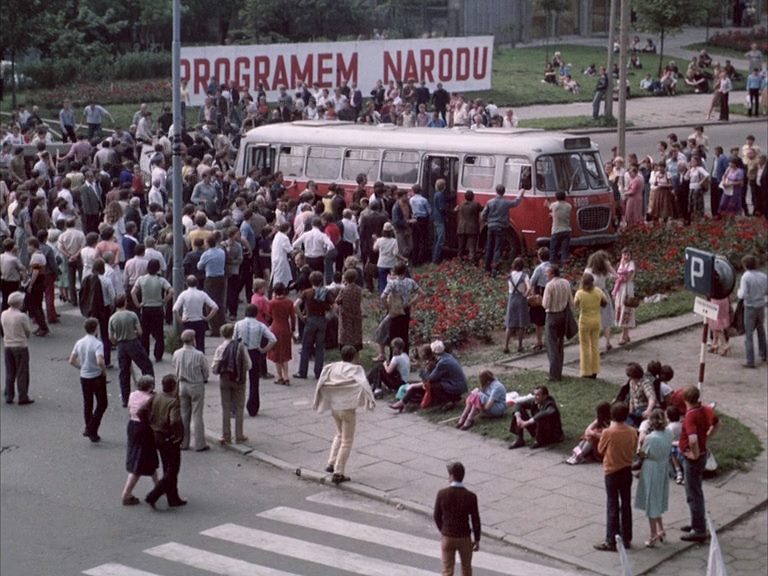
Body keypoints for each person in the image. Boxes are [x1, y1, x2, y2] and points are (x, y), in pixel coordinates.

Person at [312, 345, 375, 485]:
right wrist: (370, 400)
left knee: (339, 434)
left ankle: (331, 462)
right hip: (348, 408)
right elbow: (364, 384)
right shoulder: (356, 369)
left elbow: (322, 380)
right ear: (355, 356)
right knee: (347, 440)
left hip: (335, 407)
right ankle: (339, 472)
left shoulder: (332, 367)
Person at [594, 401, 638, 552]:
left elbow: (600, 449)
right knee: (626, 504)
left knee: (612, 504)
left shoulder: (608, 432)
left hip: (612, 471)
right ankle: (626, 538)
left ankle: (611, 539)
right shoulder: (632, 431)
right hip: (626, 470)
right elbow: (634, 446)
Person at [144, 374, 186, 509]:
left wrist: (150, 423)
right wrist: (178, 436)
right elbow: (175, 421)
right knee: (172, 470)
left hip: (156, 435)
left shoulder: (156, 397)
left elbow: (143, 410)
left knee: (166, 466)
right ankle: (154, 495)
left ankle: (173, 497)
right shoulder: (173, 402)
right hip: (168, 438)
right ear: (173, 386)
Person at [433, 461, 481, 576]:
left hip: (448, 537)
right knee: (466, 568)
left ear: (452, 476)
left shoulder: (442, 494)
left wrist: (443, 530)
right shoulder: (471, 496)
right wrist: (477, 539)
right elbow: (475, 519)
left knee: (447, 569)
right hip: (464, 537)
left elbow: (436, 515)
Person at [391, 340, 467, 411]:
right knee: (414, 387)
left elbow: (430, 379)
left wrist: (421, 369)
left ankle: (447, 401)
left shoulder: (443, 362)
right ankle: (402, 403)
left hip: (455, 386)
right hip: (452, 384)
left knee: (430, 386)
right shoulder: (447, 356)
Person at [634, 408, 672, 548]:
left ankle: (653, 534)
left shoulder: (650, 438)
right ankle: (661, 528)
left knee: (651, 500)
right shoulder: (669, 433)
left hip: (651, 468)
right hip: (663, 466)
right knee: (657, 498)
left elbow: (642, 454)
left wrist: (639, 446)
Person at [109, 294, 154, 407]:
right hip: (133, 342)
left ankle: (125, 399)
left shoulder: (112, 318)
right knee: (146, 366)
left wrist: (116, 342)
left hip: (121, 346)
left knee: (124, 372)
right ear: (125, 302)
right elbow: (140, 331)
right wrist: (134, 334)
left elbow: (111, 337)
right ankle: (149, 390)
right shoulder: (132, 315)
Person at [679, 386, 711, 542]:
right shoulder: (703, 410)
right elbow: (717, 423)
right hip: (703, 454)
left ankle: (698, 529)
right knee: (696, 490)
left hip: (693, 459)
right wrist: (706, 439)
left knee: (693, 494)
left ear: (685, 399)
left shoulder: (690, 416)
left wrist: (694, 453)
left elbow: (692, 439)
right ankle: (696, 521)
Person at [120, 375, 159, 506]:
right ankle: (126, 494)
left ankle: (159, 486)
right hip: (144, 429)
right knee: (139, 461)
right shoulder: (150, 399)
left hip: (132, 425)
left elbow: (130, 409)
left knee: (149, 458)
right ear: (150, 387)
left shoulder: (132, 395)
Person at [234, 304, 277, 417]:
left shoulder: (238, 324)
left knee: (239, 380)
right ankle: (253, 407)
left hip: (241, 351)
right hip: (254, 352)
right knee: (254, 381)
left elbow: (234, 340)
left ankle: (236, 406)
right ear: (256, 313)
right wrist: (264, 349)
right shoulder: (260, 325)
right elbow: (273, 339)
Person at [69, 317, 108, 442]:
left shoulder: (80, 342)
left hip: (84, 376)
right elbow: (100, 361)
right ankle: (92, 427)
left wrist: (81, 367)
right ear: (96, 329)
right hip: (96, 376)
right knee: (102, 403)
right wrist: (104, 371)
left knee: (88, 403)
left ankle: (90, 430)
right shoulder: (97, 344)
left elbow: (71, 360)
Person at [212, 323, 251, 444]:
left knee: (226, 407)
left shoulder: (220, 348)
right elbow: (249, 365)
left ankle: (226, 435)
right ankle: (239, 435)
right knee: (239, 407)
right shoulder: (241, 347)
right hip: (239, 380)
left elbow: (214, 369)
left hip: (225, 379)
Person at [172, 329, 211, 451]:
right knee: (197, 415)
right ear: (193, 340)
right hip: (196, 385)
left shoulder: (177, 353)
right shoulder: (199, 354)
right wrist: (204, 378)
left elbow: (174, 366)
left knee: (184, 414)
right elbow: (206, 371)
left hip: (182, 384)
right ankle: (199, 443)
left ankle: (184, 442)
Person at [294, 271, 334, 380]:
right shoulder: (326, 292)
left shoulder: (306, 292)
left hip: (310, 319)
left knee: (306, 346)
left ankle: (302, 372)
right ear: (321, 281)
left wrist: (302, 317)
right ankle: (318, 372)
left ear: (310, 281)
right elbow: (334, 306)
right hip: (321, 319)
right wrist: (329, 317)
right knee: (320, 347)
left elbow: (295, 305)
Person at [132, 258, 174, 362]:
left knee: (145, 333)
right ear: (158, 268)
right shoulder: (161, 280)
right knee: (159, 333)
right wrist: (164, 300)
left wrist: (138, 304)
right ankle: (158, 354)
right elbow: (171, 291)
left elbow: (133, 292)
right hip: (158, 308)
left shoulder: (141, 279)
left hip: (146, 308)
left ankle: (145, 353)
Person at [480, 184, 526, 276]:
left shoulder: (490, 202)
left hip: (490, 227)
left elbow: (483, 214)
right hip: (500, 228)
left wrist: (487, 221)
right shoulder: (505, 202)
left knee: (489, 247)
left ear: (496, 191)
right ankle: (494, 269)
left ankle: (486, 268)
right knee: (497, 249)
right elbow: (516, 202)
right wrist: (520, 194)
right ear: (504, 192)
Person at [574, 272, 608, 378]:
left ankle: (586, 371)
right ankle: (595, 370)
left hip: (584, 321)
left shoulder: (580, 293)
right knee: (594, 345)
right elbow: (605, 302)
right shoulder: (598, 291)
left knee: (585, 346)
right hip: (596, 320)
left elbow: (575, 304)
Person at [508, 384, 564, 449]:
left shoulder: (550, 404)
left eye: (538, 395)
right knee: (518, 412)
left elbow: (545, 413)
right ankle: (519, 439)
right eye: (534, 394)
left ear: (545, 396)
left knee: (541, 417)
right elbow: (518, 404)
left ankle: (539, 441)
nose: (535, 397)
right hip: (537, 429)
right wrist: (518, 418)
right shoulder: (534, 401)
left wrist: (527, 422)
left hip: (552, 434)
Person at [173, 275, 219, 353]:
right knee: (200, 344)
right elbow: (215, 307)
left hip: (187, 321)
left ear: (186, 283)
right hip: (199, 321)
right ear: (197, 283)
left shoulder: (183, 294)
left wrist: (180, 320)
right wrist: (207, 318)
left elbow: (174, 309)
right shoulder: (202, 294)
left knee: (187, 344)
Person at [1, 292, 33, 405]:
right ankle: (23, 396)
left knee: (10, 372)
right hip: (20, 345)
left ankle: (9, 395)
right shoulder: (22, 316)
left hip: (7, 345)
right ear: (20, 303)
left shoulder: (4, 314)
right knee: (22, 372)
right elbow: (28, 331)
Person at [542, 264, 572, 381]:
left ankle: (554, 374)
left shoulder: (549, 286)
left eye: (547, 272)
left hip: (552, 315)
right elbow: (571, 301)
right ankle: (559, 370)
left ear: (552, 273)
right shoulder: (566, 283)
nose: (546, 274)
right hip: (563, 315)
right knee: (560, 343)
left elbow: (546, 304)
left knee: (551, 345)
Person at [738, 254, 767, 368]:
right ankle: (764, 354)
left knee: (749, 333)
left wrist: (738, 292)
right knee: (761, 330)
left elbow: (743, 294)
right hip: (761, 305)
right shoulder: (763, 276)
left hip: (750, 306)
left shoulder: (746, 277)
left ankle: (750, 360)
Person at [585, 250, 616, 352]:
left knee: (596, 319)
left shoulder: (589, 271)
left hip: (593, 295)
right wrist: (609, 266)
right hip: (602, 294)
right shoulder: (603, 272)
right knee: (606, 317)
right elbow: (615, 276)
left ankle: (596, 343)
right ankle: (607, 342)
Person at [267, 282, 296, 385]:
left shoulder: (272, 303)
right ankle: (286, 375)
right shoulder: (289, 302)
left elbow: (269, 315)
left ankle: (279, 376)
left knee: (276, 354)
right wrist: (293, 329)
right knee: (285, 353)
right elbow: (293, 317)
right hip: (285, 328)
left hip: (275, 328)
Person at [503, 257, 530, 354]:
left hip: (512, 298)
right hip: (521, 299)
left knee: (509, 323)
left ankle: (506, 346)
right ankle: (520, 346)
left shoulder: (510, 275)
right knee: (521, 324)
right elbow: (529, 287)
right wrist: (525, 295)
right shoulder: (524, 275)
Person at [613, 248, 636, 345]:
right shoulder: (621, 264)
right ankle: (626, 335)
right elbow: (618, 276)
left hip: (627, 289)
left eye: (628, 255)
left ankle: (624, 336)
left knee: (626, 310)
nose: (626, 257)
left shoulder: (631, 264)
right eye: (624, 254)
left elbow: (627, 277)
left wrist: (619, 277)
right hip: (620, 290)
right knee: (620, 309)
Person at [336, 269, 363, 351]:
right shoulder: (359, 289)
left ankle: (346, 350)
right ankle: (356, 350)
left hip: (346, 314)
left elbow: (338, 301)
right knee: (356, 332)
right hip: (356, 313)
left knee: (346, 333)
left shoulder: (344, 290)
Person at [544, 191, 571, 266]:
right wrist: (553, 214)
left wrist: (547, 202)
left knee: (553, 250)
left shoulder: (554, 205)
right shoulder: (569, 206)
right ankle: (565, 266)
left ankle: (552, 266)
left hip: (556, 231)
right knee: (564, 250)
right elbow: (563, 214)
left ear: (556, 197)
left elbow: (549, 206)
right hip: (567, 230)